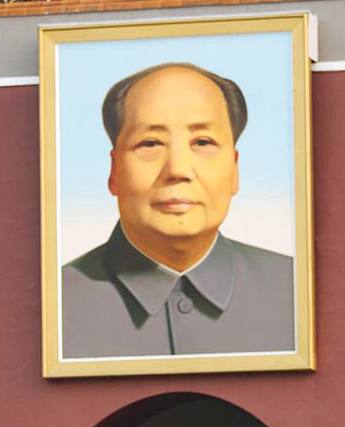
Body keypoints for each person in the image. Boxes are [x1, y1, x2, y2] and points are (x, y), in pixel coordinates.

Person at [61, 62, 295, 359]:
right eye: (150, 143)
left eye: (202, 142)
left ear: (235, 169)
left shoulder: (297, 291)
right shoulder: (54, 304)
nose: (178, 170)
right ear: (114, 170)